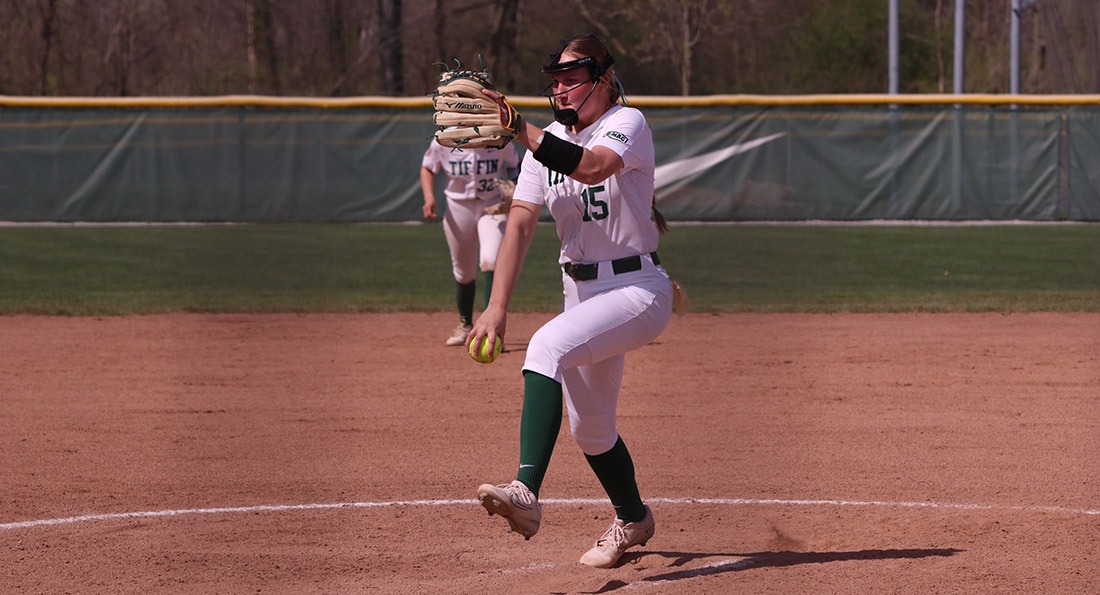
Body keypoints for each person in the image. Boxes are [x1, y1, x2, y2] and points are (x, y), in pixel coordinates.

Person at [468, 34, 674, 569]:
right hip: (580, 290)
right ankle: (634, 519)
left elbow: (592, 167)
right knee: (592, 429)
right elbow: (519, 224)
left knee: (546, 346)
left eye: (571, 77)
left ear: (603, 79)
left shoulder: (628, 124)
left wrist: (521, 130)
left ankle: (525, 492)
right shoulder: (547, 140)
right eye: (554, 79)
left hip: (636, 289)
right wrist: (495, 305)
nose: (559, 88)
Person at [420, 133, 519, 346]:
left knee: (490, 260)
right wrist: (429, 198)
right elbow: (428, 167)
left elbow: (514, 164)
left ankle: (492, 326)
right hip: (458, 208)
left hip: (492, 206)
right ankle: (465, 324)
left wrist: (514, 186)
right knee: (464, 272)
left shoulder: (496, 136)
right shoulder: (444, 138)